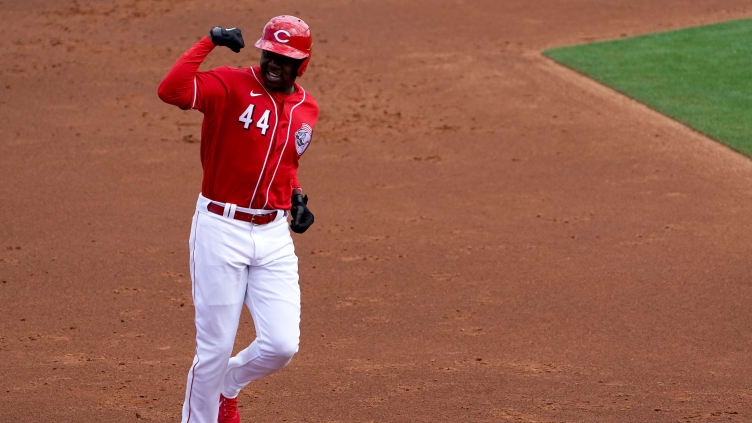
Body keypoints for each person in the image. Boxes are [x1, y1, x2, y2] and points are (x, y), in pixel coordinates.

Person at [157, 15, 318, 423]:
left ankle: (228, 384)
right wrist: (207, 42)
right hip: (220, 228)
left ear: (301, 65)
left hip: (273, 235)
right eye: (269, 54)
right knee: (212, 350)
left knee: (281, 345)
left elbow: (286, 162)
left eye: (284, 59)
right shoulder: (229, 84)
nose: (273, 64)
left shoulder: (307, 108)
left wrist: (297, 197)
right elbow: (170, 89)